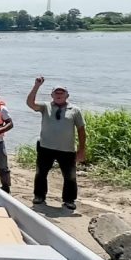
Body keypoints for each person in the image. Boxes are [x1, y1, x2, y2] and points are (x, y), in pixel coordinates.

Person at [26, 77, 86, 210]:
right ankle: (39, 196)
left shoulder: (75, 110)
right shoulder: (45, 106)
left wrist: (82, 150)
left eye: (62, 93)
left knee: (70, 176)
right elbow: (30, 103)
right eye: (56, 93)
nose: (59, 95)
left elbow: (81, 130)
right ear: (52, 95)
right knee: (41, 173)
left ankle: (69, 200)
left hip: (67, 149)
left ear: (67, 95)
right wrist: (36, 86)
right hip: (45, 147)